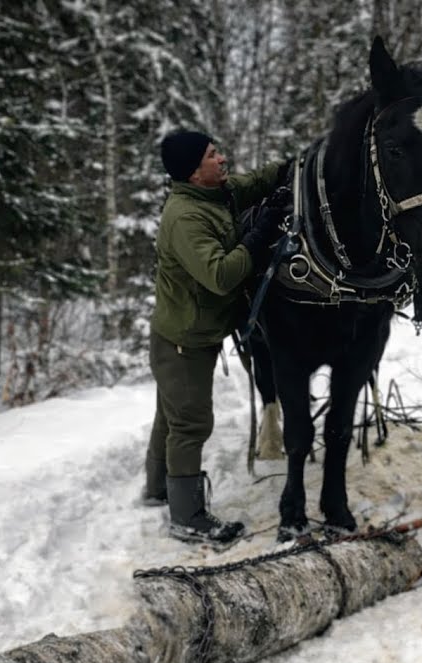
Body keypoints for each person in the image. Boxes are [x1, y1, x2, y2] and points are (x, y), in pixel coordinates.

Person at [143, 129, 291, 544]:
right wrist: (259, 233)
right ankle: (187, 517)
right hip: (184, 343)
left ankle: (158, 489)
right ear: (193, 172)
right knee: (190, 423)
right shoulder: (186, 217)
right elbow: (221, 275)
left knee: (170, 414)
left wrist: (292, 167)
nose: (223, 159)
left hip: (184, 333)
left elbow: (253, 183)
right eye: (213, 155)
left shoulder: (213, 195)